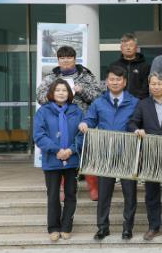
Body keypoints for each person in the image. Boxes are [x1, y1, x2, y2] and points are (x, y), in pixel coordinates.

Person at [78, 66, 139, 241]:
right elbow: (90, 119)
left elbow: (138, 122)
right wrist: (85, 124)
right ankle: (103, 228)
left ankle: (127, 228)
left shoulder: (134, 102)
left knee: (130, 194)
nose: (115, 82)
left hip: (127, 153)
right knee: (104, 194)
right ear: (107, 82)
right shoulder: (99, 102)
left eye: (118, 79)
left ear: (124, 82)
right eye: (112, 79)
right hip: (105, 154)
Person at [36, 45, 102, 201]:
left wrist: (81, 90)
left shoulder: (85, 75)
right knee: (63, 151)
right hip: (59, 122)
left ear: (75, 59)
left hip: (84, 121)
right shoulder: (51, 77)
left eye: (69, 58)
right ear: (58, 60)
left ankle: (93, 187)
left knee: (88, 153)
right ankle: (63, 189)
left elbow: (98, 97)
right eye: (62, 58)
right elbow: (40, 97)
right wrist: (56, 93)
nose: (65, 61)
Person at [128, 72, 162, 241]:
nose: (156, 87)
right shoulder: (143, 104)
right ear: (149, 86)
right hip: (150, 154)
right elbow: (132, 122)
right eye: (153, 84)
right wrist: (137, 130)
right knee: (151, 193)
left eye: (159, 84)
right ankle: (153, 226)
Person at [33, 79, 83, 242]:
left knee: (70, 194)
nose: (61, 93)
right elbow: (39, 135)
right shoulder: (43, 112)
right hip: (52, 160)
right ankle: (53, 227)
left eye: (64, 90)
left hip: (72, 159)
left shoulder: (77, 111)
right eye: (58, 90)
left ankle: (66, 226)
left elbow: (82, 135)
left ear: (69, 93)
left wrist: (70, 150)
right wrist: (57, 150)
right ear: (52, 93)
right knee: (53, 195)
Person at [109, 32, 150, 100]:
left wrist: (136, 101)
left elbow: (146, 87)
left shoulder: (145, 66)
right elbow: (110, 85)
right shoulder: (114, 66)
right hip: (119, 102)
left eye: (131, 45)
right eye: (125, 46)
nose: (128, 48)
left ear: (136, 48)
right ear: (121, 48)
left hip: (139, 102)